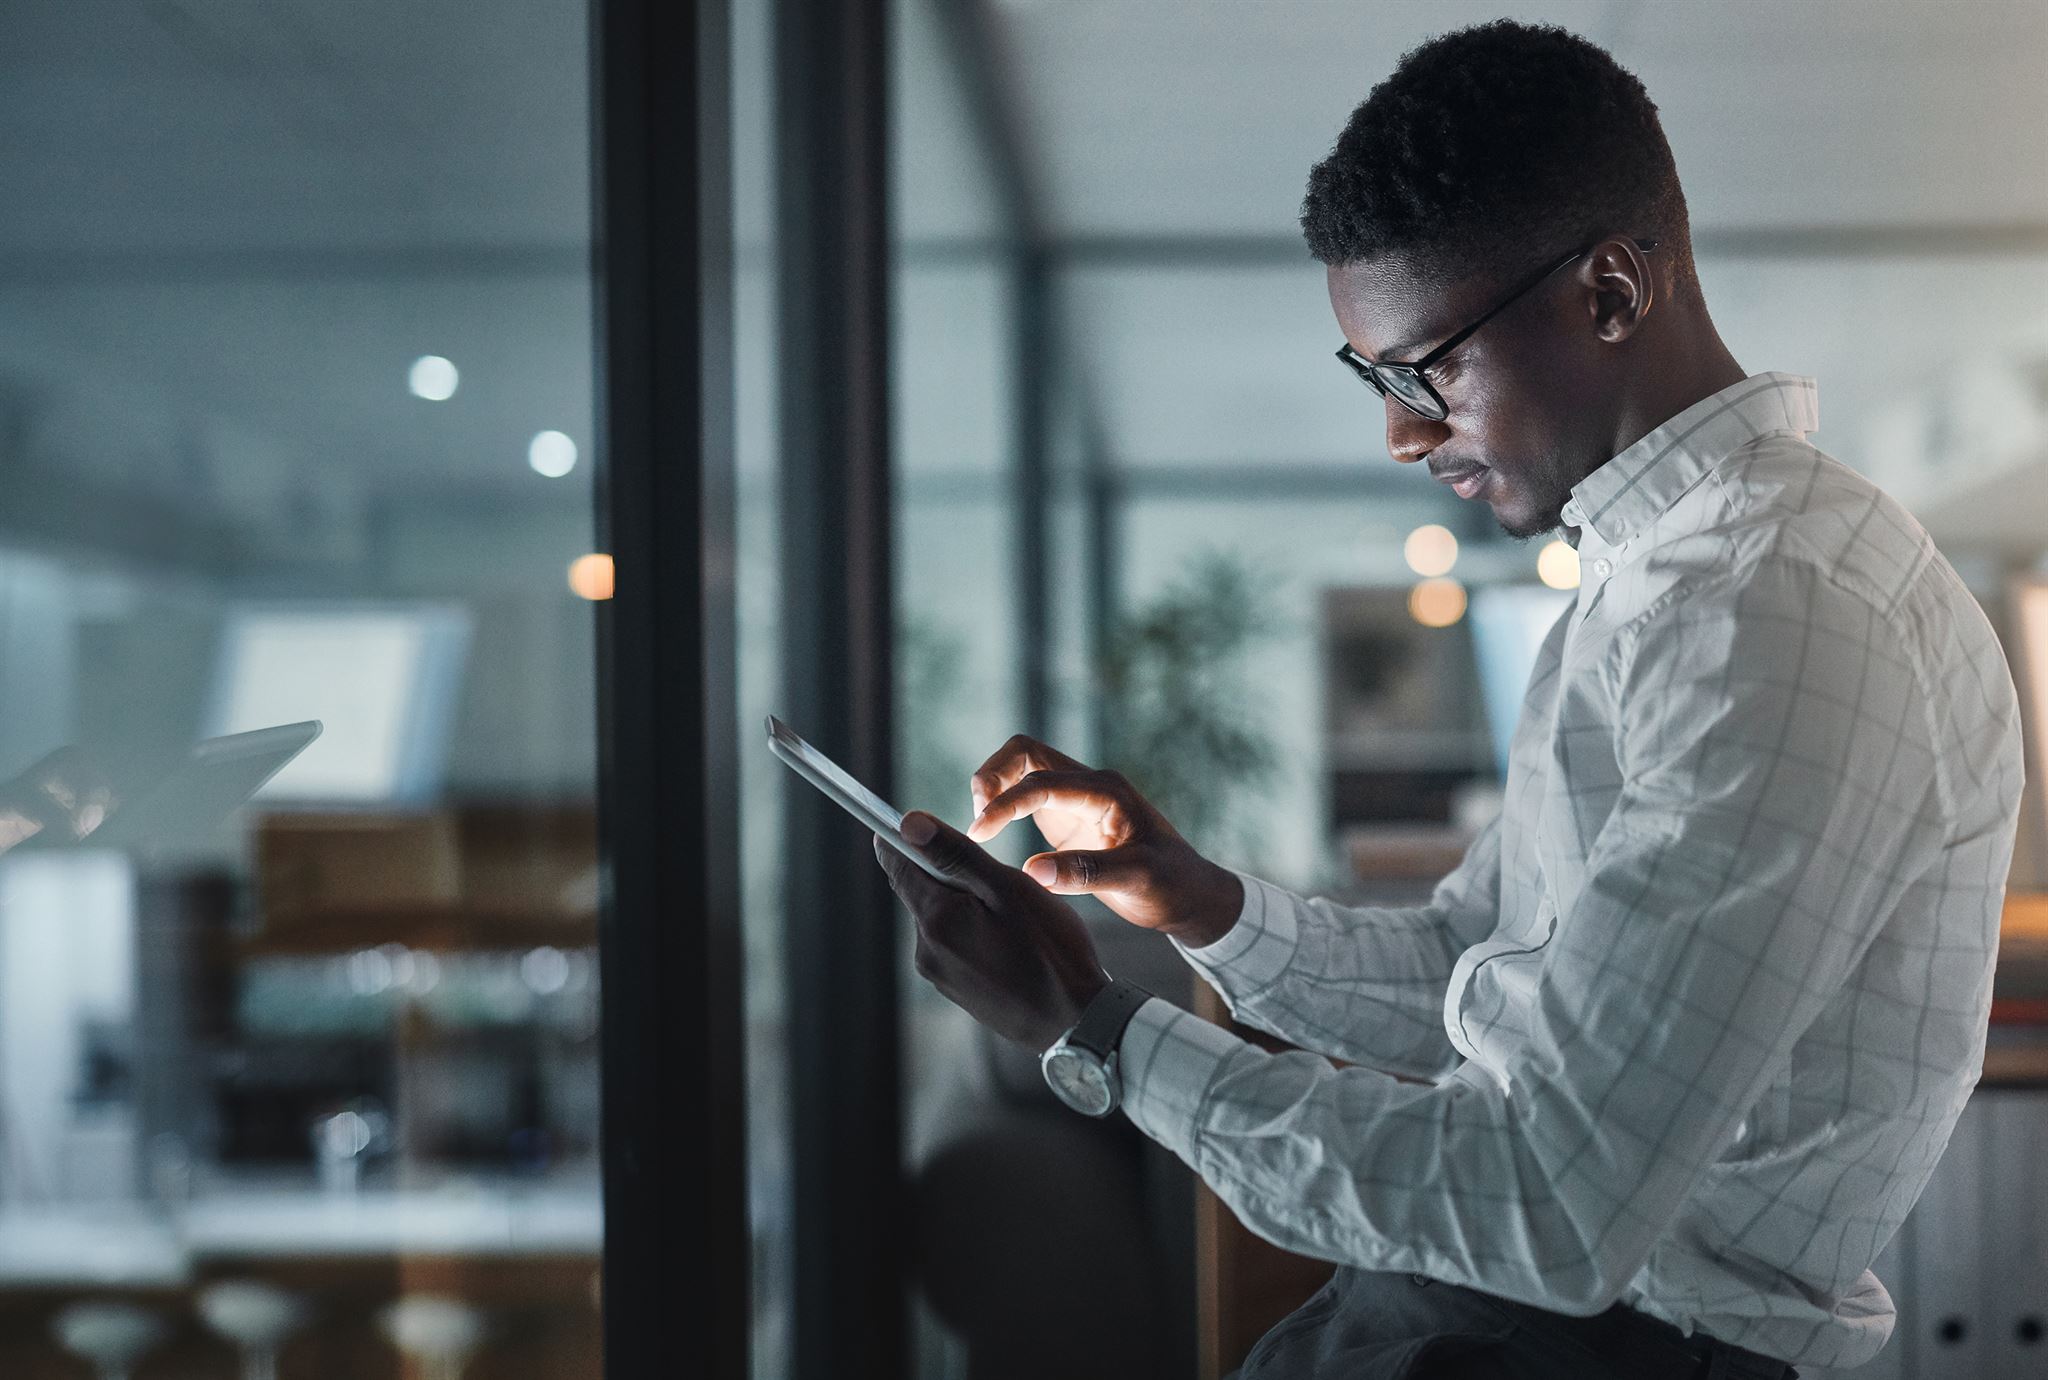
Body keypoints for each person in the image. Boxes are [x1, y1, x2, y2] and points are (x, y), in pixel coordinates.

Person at [873, 20, 2025, 1379]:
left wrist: (1097, 1033)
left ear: (1608, 293)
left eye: (1431, 369)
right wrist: (1199, 903)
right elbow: (1475, 969)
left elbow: (1554, 1204)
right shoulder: (1659, 581)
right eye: (1374, 376)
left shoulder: (1778, 614)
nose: (1401, 433)